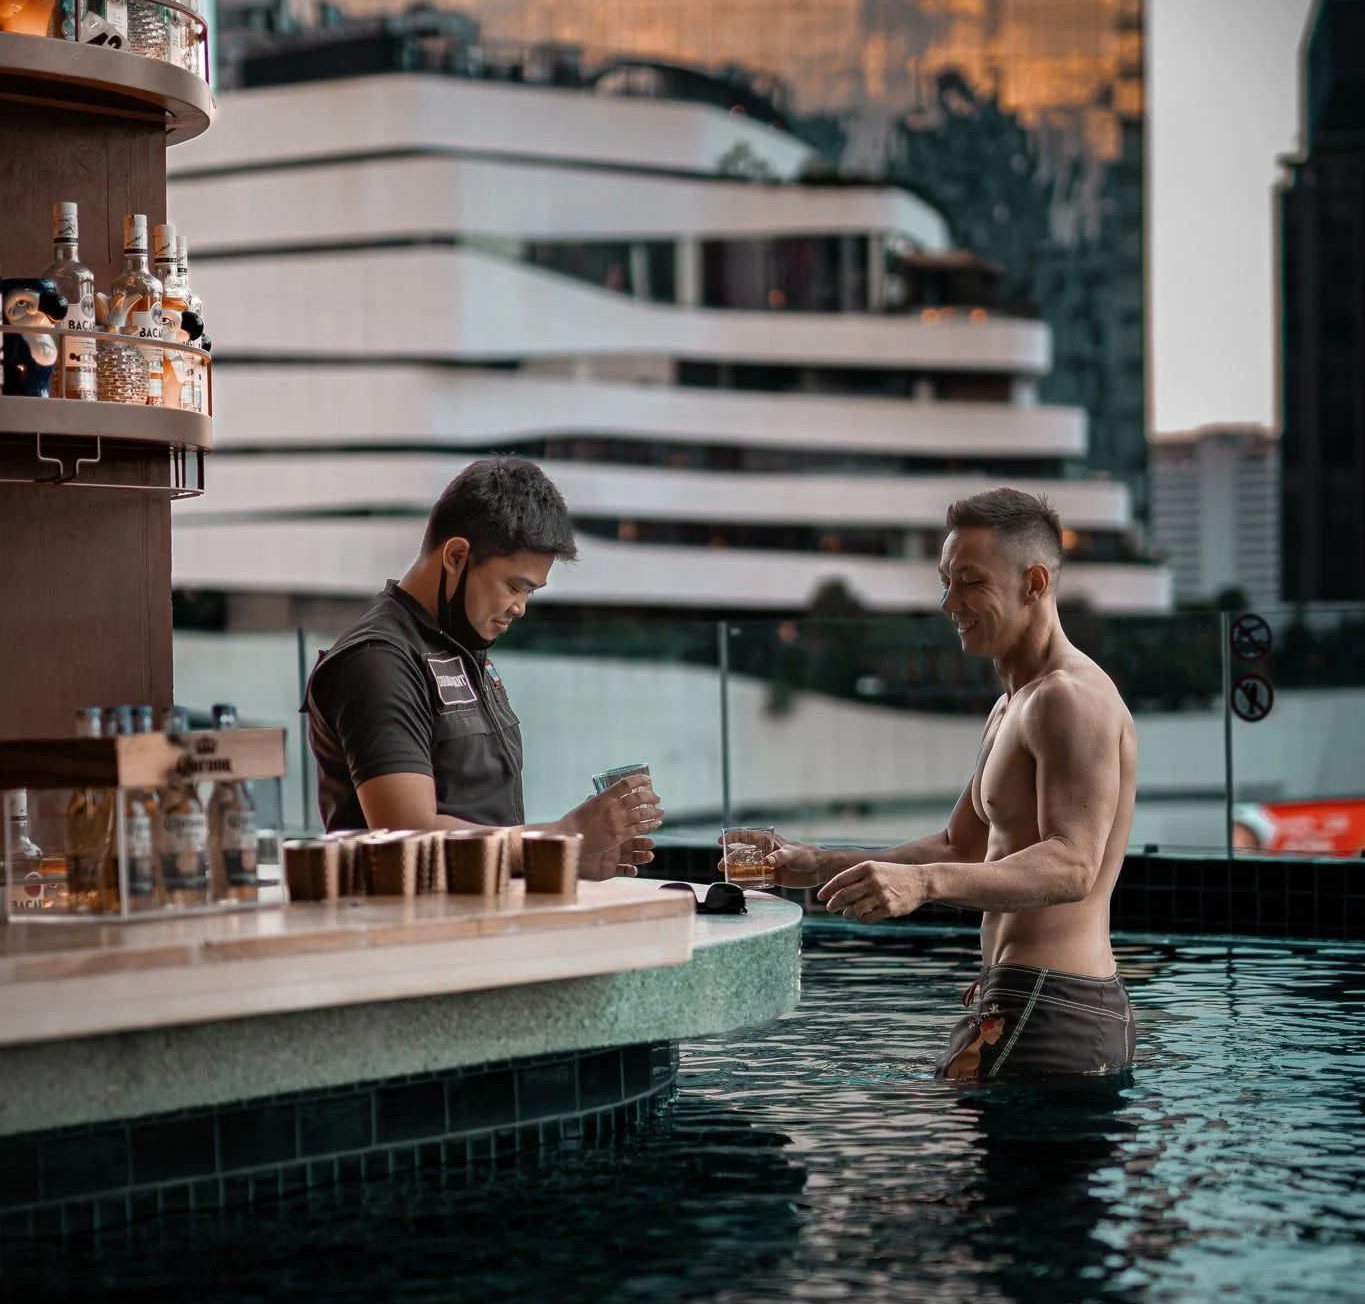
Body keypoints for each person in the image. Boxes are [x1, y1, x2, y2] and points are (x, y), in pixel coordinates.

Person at [751, 488, 1137, 1080]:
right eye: (946, 581)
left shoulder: (1070, 699)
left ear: (1034, 583)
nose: (947, 601)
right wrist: (813, 864)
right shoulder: (1013, 706)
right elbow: (960, 845)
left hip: (1055, 1004)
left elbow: (1072, 865)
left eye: (970, 582)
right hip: (1021, 997)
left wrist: (925, 885)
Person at [305, 457, 662, 879]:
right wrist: (565, 836)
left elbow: (483, 822)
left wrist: (562, 858)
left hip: (479, 926)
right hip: (406, 935)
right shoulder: (377, 662)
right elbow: (406, 839)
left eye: (530, 592)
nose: (520, 607)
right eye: (514, 586)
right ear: (456, 555)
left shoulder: (461, 647)